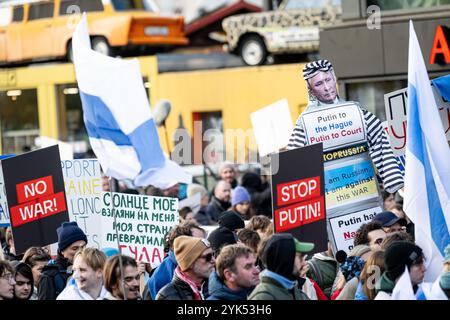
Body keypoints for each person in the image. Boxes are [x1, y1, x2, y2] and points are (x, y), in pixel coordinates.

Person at [287, 59, 404, 194]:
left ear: (335, 79)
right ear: (310, 90)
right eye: (319, 83)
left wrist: (396, 182)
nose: (326, 87)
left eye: (328, 80)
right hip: (329, 199)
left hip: (364, 193)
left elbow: (380, 140)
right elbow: (293, 164)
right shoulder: (305, 123)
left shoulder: (356, 113)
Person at [146, 222, 206, 300]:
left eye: (204, 240)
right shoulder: (161, 276)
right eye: (197, 241)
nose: (203, 245)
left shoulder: (202, 262)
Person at [249, 233, 314, 300]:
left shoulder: (294, 291)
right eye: (300, 257)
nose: (303, 263)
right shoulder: (263, 297)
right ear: (286, 259)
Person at [38, 221, 87, 300]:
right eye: (75, 248)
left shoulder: (90, 270)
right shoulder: (49, 276)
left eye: (83, 247)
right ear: (62, 251)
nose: (81, 251)